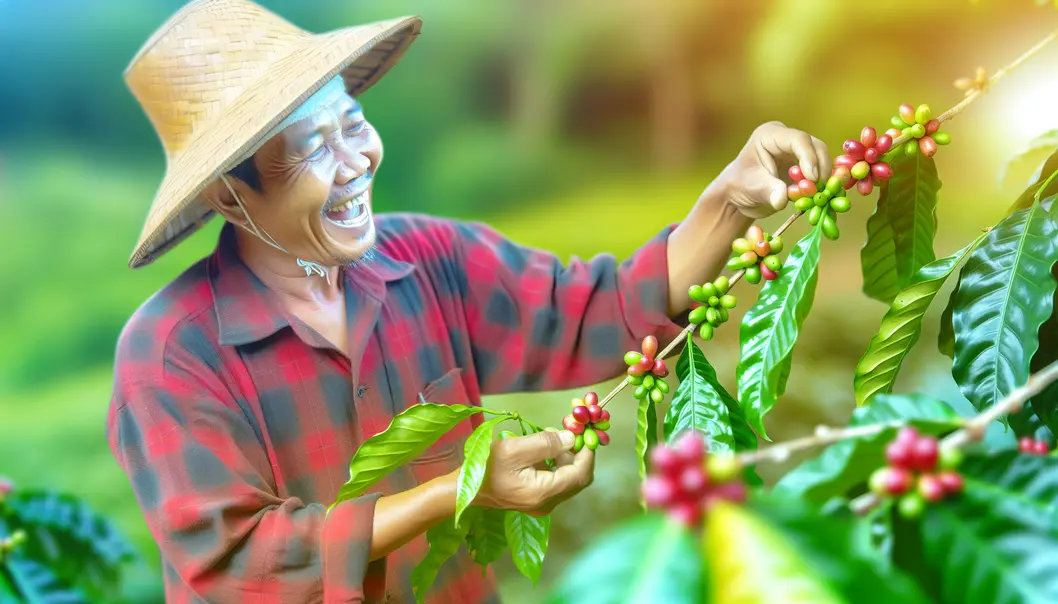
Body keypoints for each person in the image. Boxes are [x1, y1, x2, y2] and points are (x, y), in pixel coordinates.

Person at [107, 1, 832, 602]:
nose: (356, 163)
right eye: (312, 149)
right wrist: (455, 491)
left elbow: (600, 310)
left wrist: (729, 200)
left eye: (352, 125)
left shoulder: (429, 259)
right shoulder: (169, 354)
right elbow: (239, 563)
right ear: (230, 196)